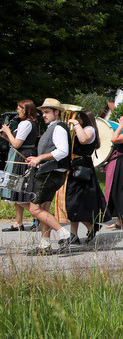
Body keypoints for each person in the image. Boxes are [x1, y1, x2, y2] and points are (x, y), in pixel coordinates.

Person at [24, 98, 74, 254]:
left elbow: (62, 152)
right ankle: (45, 245)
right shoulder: (53, 127)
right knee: (44, 209)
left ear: (56, 112)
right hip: (51, 173)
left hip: (50, 174)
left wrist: (40, 158)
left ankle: (64, 234)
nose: (43, 115)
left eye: (46, 112)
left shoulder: (58, 128)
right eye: (42, 112)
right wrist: (36, 159)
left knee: (34, 209)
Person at [64, 109, 108, 244]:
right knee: (75, 200)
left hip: (81, 166)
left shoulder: (90, 129)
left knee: (73, 202)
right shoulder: (84, 128)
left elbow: (83, 140)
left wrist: (76, 125)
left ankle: (91, 226)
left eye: (79, 118)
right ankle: (74, 234)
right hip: (77, 165)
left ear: (84, 119)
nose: (77, 120)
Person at [1, 100, 39, 232]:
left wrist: (8, 130)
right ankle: (18, 222)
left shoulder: (25, 124)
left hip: (22, 158)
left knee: (19, 189)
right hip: (23, 154)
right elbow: (16, 142)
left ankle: (39, 217)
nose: (17, 111)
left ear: (26, 110)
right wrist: (6, 136)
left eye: (19, 109)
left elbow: (17, 144)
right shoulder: (29, 123)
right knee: (17, 189)